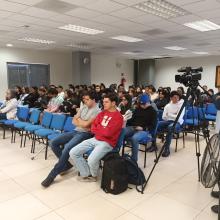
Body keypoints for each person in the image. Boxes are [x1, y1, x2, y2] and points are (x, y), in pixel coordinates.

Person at [41, 91, 100, 187]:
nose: (85, 101)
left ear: (93, 100)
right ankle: (66, 165)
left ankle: (52, 175)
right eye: (84, 99)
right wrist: (82, 122)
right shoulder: (84, 106)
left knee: (67, 148)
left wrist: (81, 121)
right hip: (76, 131)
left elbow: (85, 125)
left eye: (87, 99)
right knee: (53, 142)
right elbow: (74, 120)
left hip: (85, 134)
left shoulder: (97, 111)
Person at [69, 93, 123, 182]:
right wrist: (101, 129)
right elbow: (93, 127)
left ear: (113, 103)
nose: (103, 104)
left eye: (106, 102)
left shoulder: (118, 117)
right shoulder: (102, 113)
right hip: (95, 139)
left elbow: (108, 133)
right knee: (73, 152)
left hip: (107, 143)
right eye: (103, 102)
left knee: (91, 160)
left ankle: (93, 176)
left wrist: (98, 129)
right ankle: (86, 173)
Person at [124, 94, 157, 162]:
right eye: (141, 104)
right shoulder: (138, 109)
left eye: (144, 104)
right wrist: (125, 121)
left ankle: (134, 160)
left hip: (144, 131)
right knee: (121, 132)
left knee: (134, 138)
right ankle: (115, 154)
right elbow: (132, 120)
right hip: (134, 127)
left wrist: (143, 128)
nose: (142, 106)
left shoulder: (153, 112)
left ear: (148, 103)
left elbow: (153, 126)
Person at [154, 91, 185, 157]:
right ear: (171, 98)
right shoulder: (167, 106)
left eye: (177, 97)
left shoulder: (182, 106)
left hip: (177, 123)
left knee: (170, 127)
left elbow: (179, 118)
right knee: (156, 124)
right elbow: (164, 117)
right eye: (174, 97)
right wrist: (174, 115)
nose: (177, 99)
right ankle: (153, 145)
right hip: (168, 121)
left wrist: (170, 114)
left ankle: (167, 149)